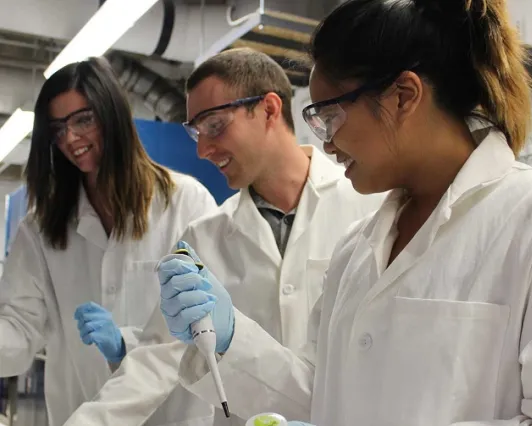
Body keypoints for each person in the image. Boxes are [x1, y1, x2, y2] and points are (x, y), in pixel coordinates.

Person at [158, 0, 532, 425]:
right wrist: (229, 339)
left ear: (404, 97)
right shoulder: (355, 250)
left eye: (329, 117)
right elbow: (321, 395)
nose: (327, 143)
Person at [62, 48, 384, 426]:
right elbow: (159, 356)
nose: (201, 150)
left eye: (214, 126)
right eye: (195, 133)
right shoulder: (205, 237)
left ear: (268, 109)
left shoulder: (371, 210)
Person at [0, 57, 218, 426]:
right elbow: (20, 331)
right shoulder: (42, 228)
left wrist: (126, 345)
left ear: (112, 114)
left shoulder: (185, 203)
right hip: (79, 415)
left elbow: (208, 323)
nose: (69, 138)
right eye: (57, 129)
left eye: (83, 120)